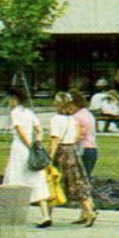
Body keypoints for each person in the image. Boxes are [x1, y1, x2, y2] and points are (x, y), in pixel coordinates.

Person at [3, 87, 52, 227]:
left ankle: (6, 214)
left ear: (15, 99)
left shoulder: (15, 113)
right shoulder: (29, 113)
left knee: (13, 178)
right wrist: (37, 141)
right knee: (36, 180)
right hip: (30, 151)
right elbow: (39, 128)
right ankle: (45, 215)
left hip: (19, 149)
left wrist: (29, 145)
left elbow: (20, 132)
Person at [49, 91, 96, 226]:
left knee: (53, 182)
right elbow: (76, 136)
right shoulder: (72, 119)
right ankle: (89, 211)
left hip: (62, 151)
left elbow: (54, 139)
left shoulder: (56, 119)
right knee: (78, 183)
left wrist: (50, 156)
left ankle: (47, 215)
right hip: (72, 151)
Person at [69, 90, 101, 179]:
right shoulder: (87, 113)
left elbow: (77, 135)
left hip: (82, 149)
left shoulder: (77, 117)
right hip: (92, 148)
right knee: (85, 177)